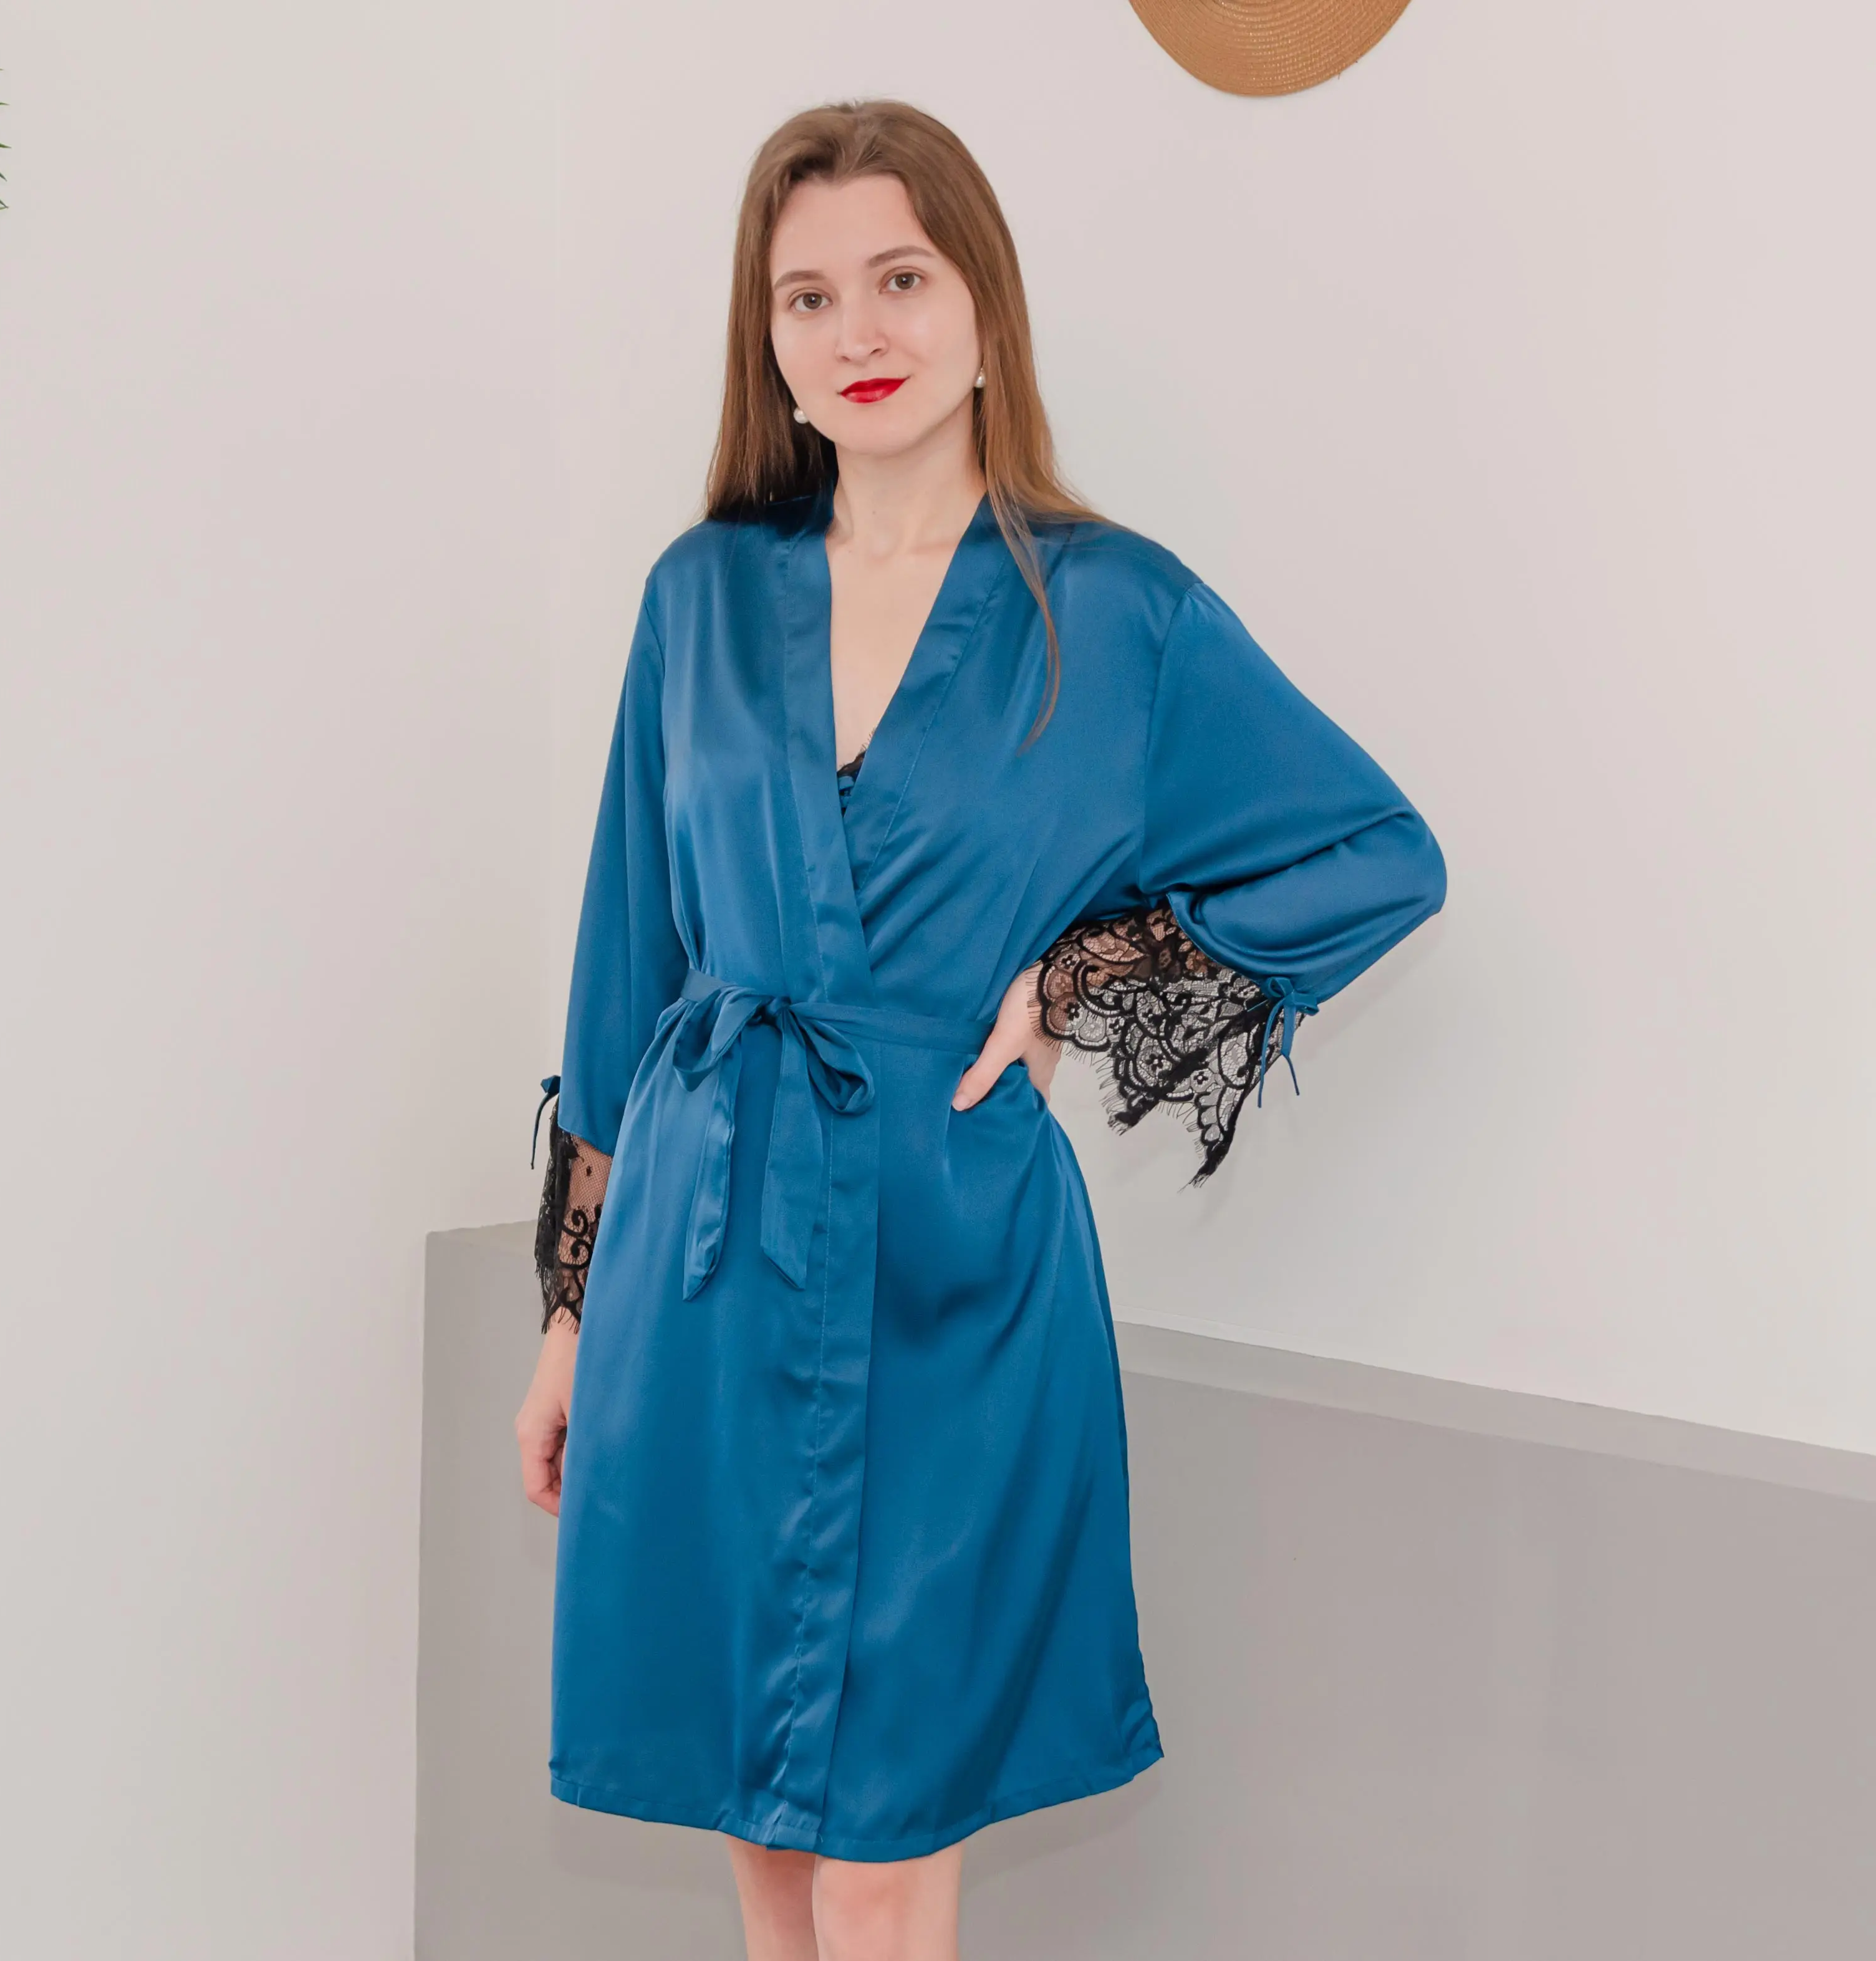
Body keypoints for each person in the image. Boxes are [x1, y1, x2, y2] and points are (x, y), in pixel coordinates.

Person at [514, 98, 1446, 1961]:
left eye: (901, 280)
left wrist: (1076, 978)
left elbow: (1373, 854)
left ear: (983, 311)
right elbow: (626, 969)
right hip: (704, 1257)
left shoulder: (1115, 612)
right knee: (762, 1828)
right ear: (766, 340)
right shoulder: (701, 596)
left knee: (884, 1851)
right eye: (806, 297)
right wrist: (566, 1322)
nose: (856, 333)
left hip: (950, 1264)